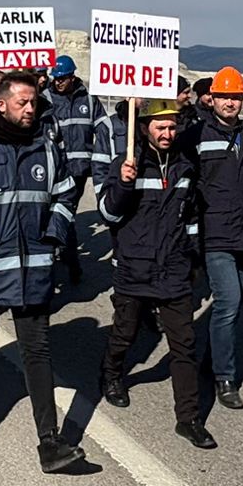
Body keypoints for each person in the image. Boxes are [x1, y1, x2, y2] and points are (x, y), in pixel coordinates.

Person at [0, 70, 86, 474]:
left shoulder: (46, 147)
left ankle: (50, 442)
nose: (30, 108)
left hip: (34, 271)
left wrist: (52, 237)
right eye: (22, 102)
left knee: (38, 352)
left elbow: (65, 196)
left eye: (33, 102)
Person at [97, 98, 213, 447]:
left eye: (172, 126)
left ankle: (188, 417)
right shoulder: (128, 164)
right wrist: (123, 184)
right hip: (135, 267)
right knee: (125, 332)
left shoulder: (185, 166)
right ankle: (112, 372)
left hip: (174, 269)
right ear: (145, 127)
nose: (168, 132)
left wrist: (193, 259)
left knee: (184, 345)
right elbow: (108, 215)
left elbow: (191, 218)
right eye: (161, 126)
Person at [181, 66, 243, 410]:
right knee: (230, 303)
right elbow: (182, 184)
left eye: (235, 97)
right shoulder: (196, 135)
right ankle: (225, 377)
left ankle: (211, 361)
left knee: (229, 306)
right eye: (224, 96)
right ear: (213, 98)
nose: (230, 102)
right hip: (215, 235)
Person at [41, 55, 106, 285]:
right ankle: (68, 260)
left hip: (79, 171)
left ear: (72, 76)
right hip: (54, 171)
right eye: (56, 78)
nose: (59, 82)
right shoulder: (45, 99)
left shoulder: (88, 99)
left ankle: (68, 261)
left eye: (63, 78)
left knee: (66, 215)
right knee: (61, 215)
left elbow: (103, 129)